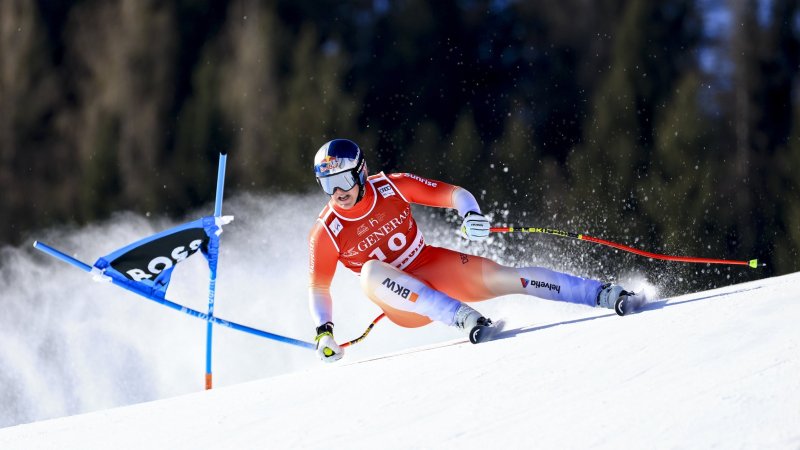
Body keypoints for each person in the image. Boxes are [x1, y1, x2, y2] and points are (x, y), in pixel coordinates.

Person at [308, 139, 633, 362]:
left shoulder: (392, 186)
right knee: (370, 273)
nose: (337, 192)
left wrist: (471, 215)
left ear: (361, 172)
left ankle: (601, 293)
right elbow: (319, 286)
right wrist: (325, 333)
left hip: (434, 265)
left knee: (508, 278)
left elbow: (455, 195)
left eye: (343, 180)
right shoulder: (327, 231)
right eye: (327, 184)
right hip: (405, 303)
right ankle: (462, 318)